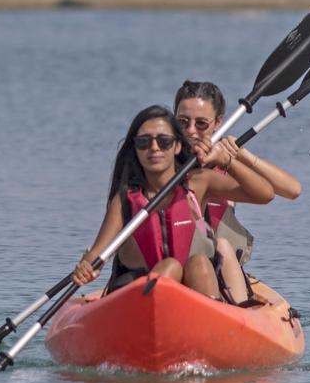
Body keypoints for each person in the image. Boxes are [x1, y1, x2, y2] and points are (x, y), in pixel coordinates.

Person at [71, 105, 273, 303]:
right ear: (135, 148)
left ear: (177, 146)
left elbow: (264, 194)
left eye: (164, 141)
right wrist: (86, 266)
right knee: (170, 266)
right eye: (144, 142)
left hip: (194, 290)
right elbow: (97, 253)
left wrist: (226, 161)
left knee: (200, 263)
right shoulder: (126, 198)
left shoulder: (198, 182)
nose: (154, 147)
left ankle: (209, 323)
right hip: (138, 296)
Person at [174, 80, 301, 277]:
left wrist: (241, 156)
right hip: (173, 266)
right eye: (183, 122)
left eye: (201, 123)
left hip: (220, 270)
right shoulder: (159, 162)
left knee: (222, 245)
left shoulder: (225, 163)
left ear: (217, 123)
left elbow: (293, 190)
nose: (191, 130)